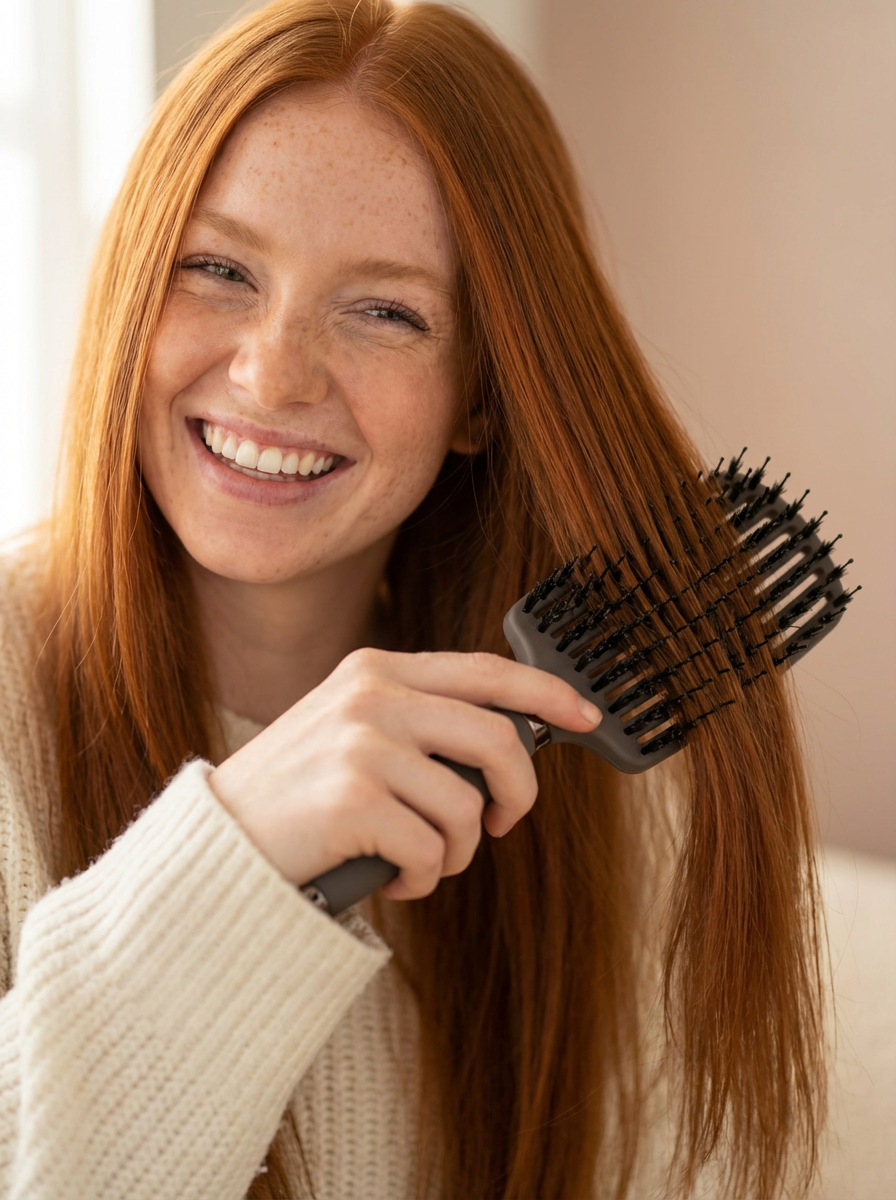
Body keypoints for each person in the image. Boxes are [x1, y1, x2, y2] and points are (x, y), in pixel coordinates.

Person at [0, 1, 869, 1197]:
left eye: (387, 311)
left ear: (478, 399)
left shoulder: (592, 822)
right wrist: (230, 867)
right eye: (216, 269)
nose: (271, 371)